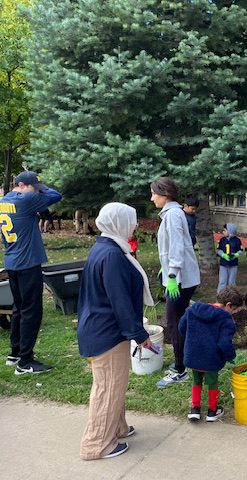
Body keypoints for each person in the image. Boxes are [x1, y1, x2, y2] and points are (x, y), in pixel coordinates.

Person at [77, 202, 154, 460]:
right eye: (131, 221)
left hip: (103, 328)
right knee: (108, 387)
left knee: (115, 383)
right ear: (118, 222)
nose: (135, 225)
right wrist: (139, 335)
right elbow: (119, 300)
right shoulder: (111, 255)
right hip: (106, 333)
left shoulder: (106, 246)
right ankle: (97, 445)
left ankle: (117, 428)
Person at [1, 171, 62, 374]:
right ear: (20, 185)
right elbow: (55, 195)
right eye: (32, 186)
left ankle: (15, 353)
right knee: (31, 312)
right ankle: (25, 362)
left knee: (19, 308)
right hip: (27, 263)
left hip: (12, 262)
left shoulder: (4, 200)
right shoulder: (25, 199)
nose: (36, 191)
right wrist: (41, 188)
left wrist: (34, 186)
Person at [150, 177, 201, 388]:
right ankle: (185, 360)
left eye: (153, 193)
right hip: (180, 277)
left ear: (165, 194)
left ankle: (180, 369)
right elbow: (172, 247)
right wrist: (166, 268)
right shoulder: (174, 213)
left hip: (179, 280)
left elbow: (177, 247)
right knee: (178, 321)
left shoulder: (172, 215)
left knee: (174, 322)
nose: (152, 198)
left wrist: (172, 276)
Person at [179, 287, 242, 422]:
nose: (233, 313)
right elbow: (224, 343)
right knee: (212, 383)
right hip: (211, 359)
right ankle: (212, 411)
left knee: (196, 381)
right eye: (234, 310)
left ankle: (195, 409)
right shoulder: (226, 319)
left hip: (193, 355)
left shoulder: (193, 310)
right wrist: (230, 356)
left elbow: (181, 327)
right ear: (228, 305)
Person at [217, 223, 243, 293]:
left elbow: (240, 250)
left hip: (233, 264)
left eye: (225, 230)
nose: (223, 232)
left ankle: (232, 294)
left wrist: (236, 255)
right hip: (223, 264)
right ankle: (220, 294)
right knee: (222, 281)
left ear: (230, 231)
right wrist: (223, 255)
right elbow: (219, 250)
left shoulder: (237, 240)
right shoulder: (222, 240)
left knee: (232, 281)